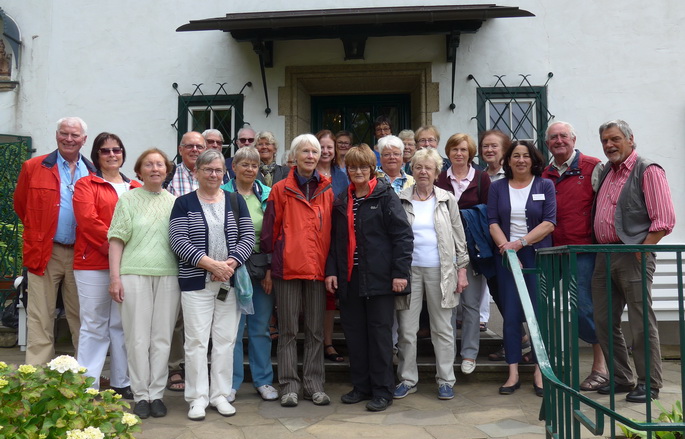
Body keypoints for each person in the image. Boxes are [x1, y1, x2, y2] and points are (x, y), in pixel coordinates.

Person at [592, 120, 675, 403]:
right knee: (603, 320)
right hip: (604, 256)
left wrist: (643, 250)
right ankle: (621, 377)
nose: (609, 145)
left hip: (633, 257)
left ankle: (649, 384)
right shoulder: (607, 171)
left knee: (640, 323)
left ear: (630, 139)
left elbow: (664, 220)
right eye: (604, 141)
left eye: (614, 139)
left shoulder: (647, 170)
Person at [169, 149, 255, 420]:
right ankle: (197, 398)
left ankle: (219, 395)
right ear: (196, 173)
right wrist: (210, 264)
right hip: (196, 283)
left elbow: (248, 236)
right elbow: (178, 241)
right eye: (207, 169)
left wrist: (230, 263)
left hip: (228, 282)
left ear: (224, 173)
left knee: (225, 341)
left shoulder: (235, 200)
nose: (213, 174)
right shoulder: (183, 203)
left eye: (218, 170)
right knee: (195, 342)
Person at [326, 146, 413, 412]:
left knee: (379, 337)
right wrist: (331, 271)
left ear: (371, 168)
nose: (358, 172)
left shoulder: (385, 196)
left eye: (363, 167)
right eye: (352, 167)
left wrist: (400, 273)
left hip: (380, 280)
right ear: (347, 169)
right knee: (355, 336)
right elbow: (334, 241)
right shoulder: (342, 199)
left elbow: (403, 236)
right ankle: (361, 387)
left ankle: (382, 390)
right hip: (350, 280)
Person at [14, 116, 96, 365]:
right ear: (56, 135)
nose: (68, 139)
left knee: (82, 316)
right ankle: (37, 377)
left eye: (74, 135)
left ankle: (84, 375)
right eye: (64, 133)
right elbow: (21, 206)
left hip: (82, 253)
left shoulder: (93, 171)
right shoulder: (33, 167)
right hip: (44, 251)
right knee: (40, 316)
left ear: (84, 140)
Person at [261, 134, 334, 407]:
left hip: (317, 269)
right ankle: (289, 386)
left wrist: (330, 268)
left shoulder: (327, 189)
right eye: (305, 151)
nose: (311, 156)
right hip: (287, 268)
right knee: (289, 330)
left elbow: (332, 232)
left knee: (315, 331)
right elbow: (270, 232)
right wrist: (270, 267)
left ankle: (314, 385)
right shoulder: (280, 189)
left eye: (315, 152)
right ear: (294, 155)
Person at [108, 149, 180, 419]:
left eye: (160, 164)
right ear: (139, 171)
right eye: (148, 164)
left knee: (162, 337)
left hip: (168, 275)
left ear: (166, 170)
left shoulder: (175, 203)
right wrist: (115, 278)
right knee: (137, 338)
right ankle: (140, 395)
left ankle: (157, 394)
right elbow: (116, 239)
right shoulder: (127, 200)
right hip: (133, 273)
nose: (155, 169)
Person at [395, 148, 468, 400]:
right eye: (418, 167)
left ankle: (446, 379)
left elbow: (459, 237)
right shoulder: (401, 198)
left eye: (428, 167)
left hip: (442, 271)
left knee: (442, 329)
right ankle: (407, 379)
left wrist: (462, 271)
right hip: (409, 271)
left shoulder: (447, 199)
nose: (423, 171)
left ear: (437, 172)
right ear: (411, 171)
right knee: (406, 328)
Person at [541, 121, 608, 391]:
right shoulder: (544, 174)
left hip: (583, 250)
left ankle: (601, 367)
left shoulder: (593, 167)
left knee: (586, 308)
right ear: (547, 144)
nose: (559, 141)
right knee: (537, 304)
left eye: (563, 136)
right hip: (551, 250)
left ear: (573, 139)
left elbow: (607, 206)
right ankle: (543, 363)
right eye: (553, 138)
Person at [73, 132, 140, 399]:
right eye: (105, 150)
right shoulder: (85, 185)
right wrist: (117, 250)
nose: (112, 155)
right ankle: (87, 385)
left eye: (117, 150)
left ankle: (121, 382)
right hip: (93, 264)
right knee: (94, 325)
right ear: (96, 155)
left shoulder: (136, 186)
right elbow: (88, 223)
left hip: (128, 266)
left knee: (122, 325)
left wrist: (128, 256)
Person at [487, 140, 556, 397]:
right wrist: (506, 245)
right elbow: (492, 221)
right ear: (509, 160)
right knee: (512, 314)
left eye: (525, 156)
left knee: (538, 314)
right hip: (506, 256)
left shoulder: (544, 185)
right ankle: (513, 372)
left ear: (533, 159)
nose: (520, 160)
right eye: (515, 156)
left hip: (536, 255)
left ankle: (540, 371)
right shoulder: (497, 187)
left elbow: (550, 222)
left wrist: (521, 242)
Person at [221, 146, 279, 404]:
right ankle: (230, 383)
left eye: (254, 165)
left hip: (260, 267)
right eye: (244, 164)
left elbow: (274, 235)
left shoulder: (267, 195)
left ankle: (263, 380)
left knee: (260, 329)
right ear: (233, 167)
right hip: (229, 268)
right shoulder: (221, 194)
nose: (249, 169)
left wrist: (269, 270)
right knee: (232, 329)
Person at [435, 133, 491, 375]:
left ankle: (469, 352)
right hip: (444, 250)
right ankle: (447, 353)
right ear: (448, 152)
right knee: (446, 304)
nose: (459, 153)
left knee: (470, 304)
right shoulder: (440, 179)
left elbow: (489, 214)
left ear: (470, 153)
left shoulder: (482, 178)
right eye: (455, 149)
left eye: (464, 150)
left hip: (472, 251)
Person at [165, 131, 208, 393]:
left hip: (214, 261)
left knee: (207, 319)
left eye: (199, 146)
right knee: (179, 318)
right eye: (189, 146)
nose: (194, 150)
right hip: (179, 257)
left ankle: (202, 368)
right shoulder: (170, 176)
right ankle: (175, 366)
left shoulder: (218, 173)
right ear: (180, 149)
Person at [315, 130, 349, 364]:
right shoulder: (307, 173)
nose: (326, 151)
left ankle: (327, 342)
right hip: (311, 241)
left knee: (330, 296)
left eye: (330, 147)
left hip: (335, 240)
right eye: (322, 147)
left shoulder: (342, 175)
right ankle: (312, 341)